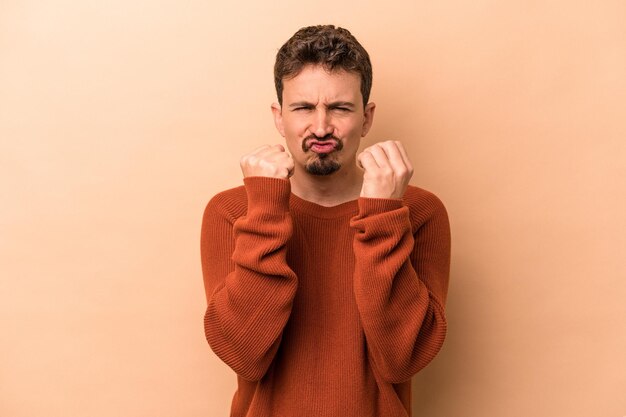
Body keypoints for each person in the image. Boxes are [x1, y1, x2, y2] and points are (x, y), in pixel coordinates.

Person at [200, 24, 451, 417]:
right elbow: (245, 354)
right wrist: (266, 208)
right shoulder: (232, 211)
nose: (320, 128)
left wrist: (383, 215)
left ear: (367, 118)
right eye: (303, 108)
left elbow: (402, 360)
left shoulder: (417, 211)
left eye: (340, 108)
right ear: (279, 117)